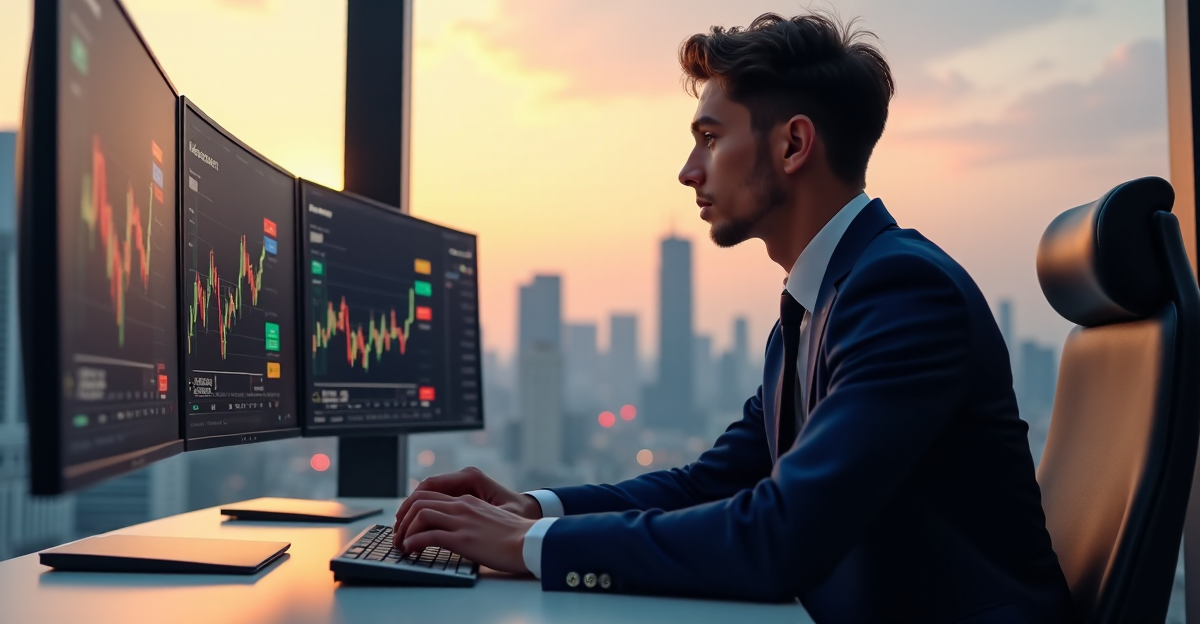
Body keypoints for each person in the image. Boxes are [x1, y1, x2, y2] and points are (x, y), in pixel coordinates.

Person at [393, 12, 1073, 622]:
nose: (689, 171)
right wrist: (535, 510)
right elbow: (712, 482)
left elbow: (782, 537)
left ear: (792, 145)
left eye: (711, 137)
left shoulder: (901, 293)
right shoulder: (814, 307)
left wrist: (526, 546)